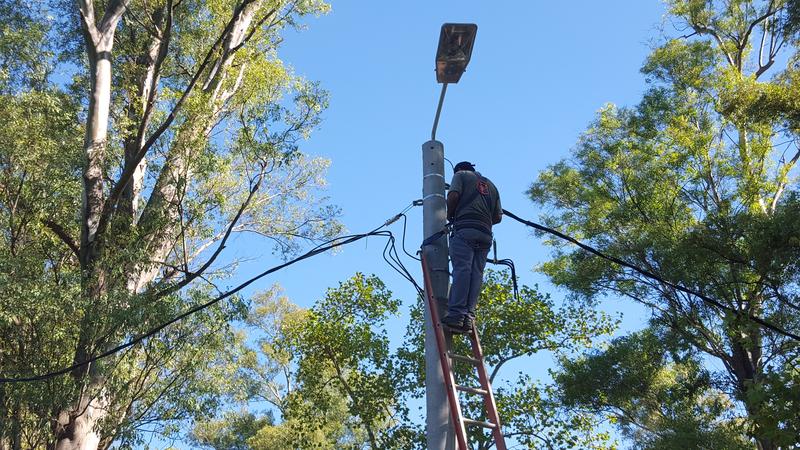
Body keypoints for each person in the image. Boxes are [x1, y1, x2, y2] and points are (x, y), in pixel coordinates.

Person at [442, 161, 502, 334]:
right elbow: (498, 217)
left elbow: (453, 196)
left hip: (465, 229)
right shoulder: (491, 185)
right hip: (485, 233)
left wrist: (450, 215)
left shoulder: (460, 176)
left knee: (462, 269)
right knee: (476, 273)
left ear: (459, 170)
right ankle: (469, 315)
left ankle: (457, 313)